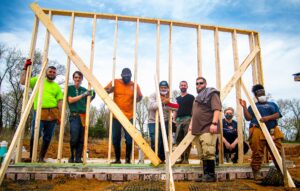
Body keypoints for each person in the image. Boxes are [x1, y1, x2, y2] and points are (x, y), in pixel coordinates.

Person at [20, 59, 63, 162]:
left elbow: (60, 102)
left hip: (53, 113)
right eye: (50, 71)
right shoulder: (38, 80)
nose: (52, 73)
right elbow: (23, 82)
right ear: (46, 72)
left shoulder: (56, 87)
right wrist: (25, 68)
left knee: (48, 137)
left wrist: (59, 116)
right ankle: (32, 156)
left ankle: (41, 157)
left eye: (54, 72)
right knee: (35, 134)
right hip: (40, 112)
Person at [239, 84, 284, 180]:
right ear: (256, 96)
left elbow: (278, 114)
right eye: (259, 94)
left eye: (263, 93)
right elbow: (248, 118)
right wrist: (244, 107)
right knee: (257, 151)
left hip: (272, 129)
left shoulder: (272, 104)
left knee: (277, 151)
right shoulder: (253, 106)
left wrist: (268, 118)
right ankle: (256, 171)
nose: (262, 95)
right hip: (257, 130)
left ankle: (281, 171)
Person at [105, 68, 143, 164]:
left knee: (129, 139)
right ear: (121, 75)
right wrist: (110, 90)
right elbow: (104, 91)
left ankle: (127, 159)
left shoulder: (134, 85)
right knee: (115, 138)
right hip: (116, 115)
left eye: (129, 76)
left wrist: (137, 98)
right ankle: (117, 159)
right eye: (125, 76)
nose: (127, 78)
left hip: (129, 116)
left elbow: (140, 97)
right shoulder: (115, 82)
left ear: (131, 76)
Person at [189, 77, 221, 182]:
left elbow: (217, 109)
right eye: (197, 83)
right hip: (198, 129)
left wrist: (214, 123)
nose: (199, 85)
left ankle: (211, 175)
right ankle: (205, 175)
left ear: (205, 84)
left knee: (208, 151)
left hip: (208, 127)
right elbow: (194, 113)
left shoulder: (212, 93)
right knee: (202, 153)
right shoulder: (197, 98)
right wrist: (191, 124)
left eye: (201, 83)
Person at [67, 71, 95, 163]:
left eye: (79, 77)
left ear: (82, 79)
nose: (77, 79)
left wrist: (92, 95)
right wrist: (84, 95)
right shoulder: (70, 88)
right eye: (75, 77)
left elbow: (86, 102)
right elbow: (70, 100)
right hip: (74, 116)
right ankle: (72, 156)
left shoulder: (84, 89)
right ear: (73, 78)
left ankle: (78, 157)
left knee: (81, 138)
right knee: (74, 137)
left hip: (83, 116)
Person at [148, 81, 178, 163]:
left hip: (165, 121)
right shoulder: (153, 95)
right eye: (161, 87)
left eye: (165, 88)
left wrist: (168, 103)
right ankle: (154, 158)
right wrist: (161, 102)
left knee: (163, 140)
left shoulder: (170, 96)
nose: (163, 89)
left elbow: (176, 107)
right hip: (153, 121)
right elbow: (151, 106)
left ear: (168, 88)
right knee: (155, 139)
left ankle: (162, 159)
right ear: (159, 88)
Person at [174, 81, 195, 164]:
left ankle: (186, 159)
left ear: (187, 86)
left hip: (188, 119)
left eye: (184, 85)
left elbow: (194, 109)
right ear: (179, 87)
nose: (183, 86)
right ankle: (181, 158)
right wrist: (174, 120)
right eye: (181, 85)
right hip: (178, 120)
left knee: (187, 139)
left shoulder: (191, 97)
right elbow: (175, 110)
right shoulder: (177, 99)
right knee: (178, 139)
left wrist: (192, 121)